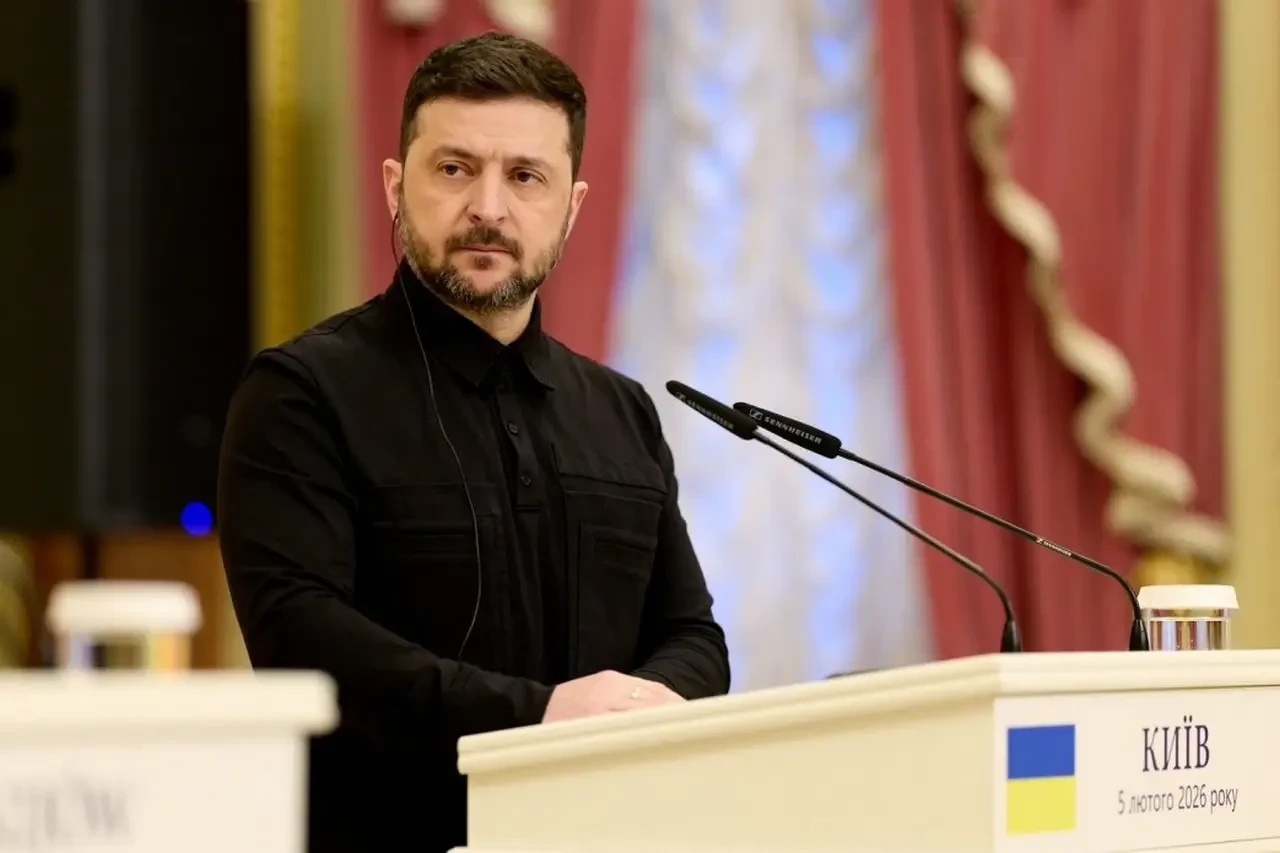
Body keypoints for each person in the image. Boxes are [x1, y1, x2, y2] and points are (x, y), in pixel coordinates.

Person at [217, 31, 731, 853]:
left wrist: (635, 710)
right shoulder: (299, 394)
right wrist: (541, 716)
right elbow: (300, 637)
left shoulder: (622, 410)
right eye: (455, 169)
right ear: (395, 186)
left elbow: (693, 636)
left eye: (525, 176)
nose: (489, 208)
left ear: (573, 206)